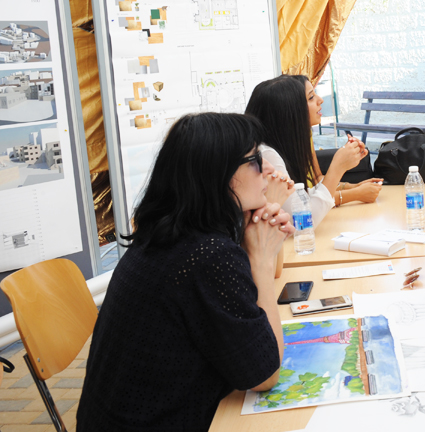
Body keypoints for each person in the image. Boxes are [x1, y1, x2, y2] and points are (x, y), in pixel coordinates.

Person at [77, 112, 295, 431]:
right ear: (218, 175)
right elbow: (264, 374)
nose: (269, 169)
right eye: (255, 160)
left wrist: (258, 229)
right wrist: (260, 259)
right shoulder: (208, 255)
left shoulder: (165, 235)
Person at [246, 74, 382, 224]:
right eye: (311, 97)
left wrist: (352, 184)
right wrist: (338, 167)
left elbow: (303, 195)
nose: (320, 100)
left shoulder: (289, 143)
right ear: (290, 112)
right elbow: (302, 220)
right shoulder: (267, 156)